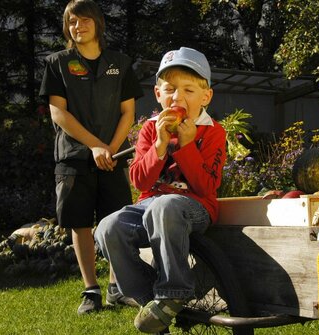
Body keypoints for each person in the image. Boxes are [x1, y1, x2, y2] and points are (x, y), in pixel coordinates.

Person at [94, 47, 227, 333]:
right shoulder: (151, 130)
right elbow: (140, 182)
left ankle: (174, 292)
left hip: (194, 207)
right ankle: (149, 301)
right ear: (157, 94)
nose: (177, 97)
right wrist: (160, 146)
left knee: (164, 205)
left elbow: (207, 187)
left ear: (206, 97)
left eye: (188, 90)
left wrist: (189, 146)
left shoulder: (213, 131)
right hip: (149, 205)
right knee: (107, 228)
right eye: (169, 89)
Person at [39, 0, 143, 315]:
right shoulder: (57, 63)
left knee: (117, 222)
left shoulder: (121, 63)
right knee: (80, 223)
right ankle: (91, 290)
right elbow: (58, 112)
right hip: (73, 158)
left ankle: (115, 288)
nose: (78, 27)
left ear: (98, 23)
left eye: (84, 20)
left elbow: (129, 112)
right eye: (72, 22)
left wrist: (110, 148)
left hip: (114, 155)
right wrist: (96, 145)